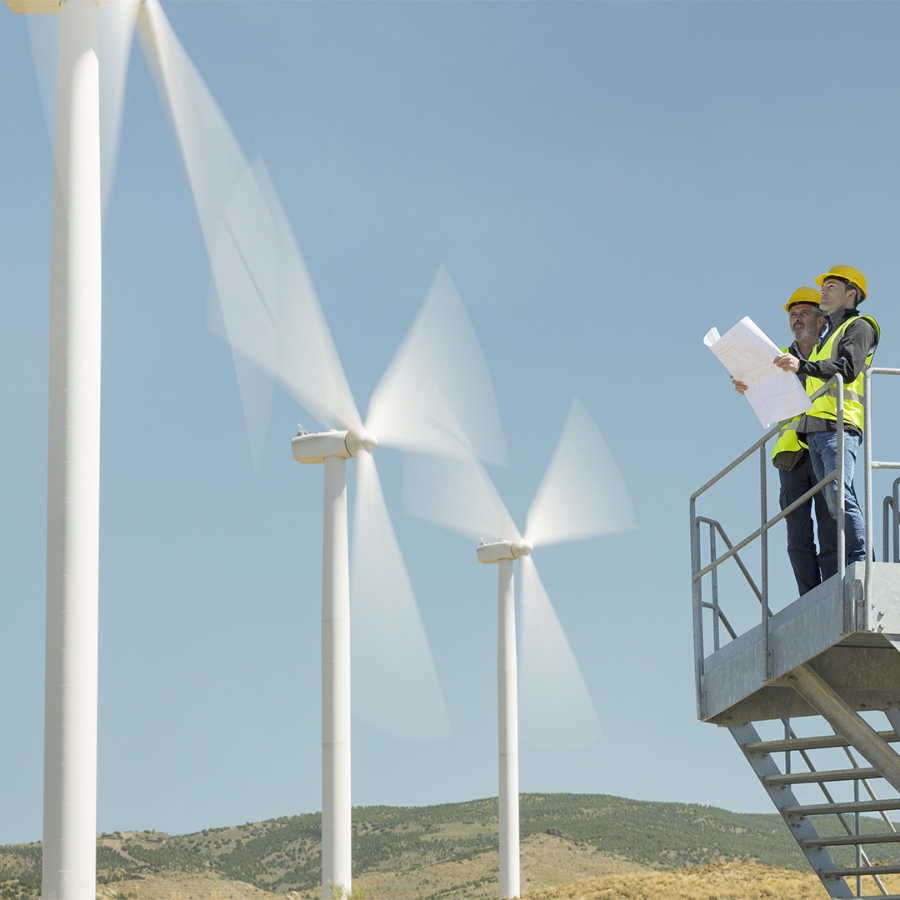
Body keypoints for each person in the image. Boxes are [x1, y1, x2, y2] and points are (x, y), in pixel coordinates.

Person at [773, 265, 880, 566]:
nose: (824, 289)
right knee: (833, 503)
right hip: (815, 433)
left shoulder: (859, 326)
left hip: (839, 425)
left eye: (831, 285)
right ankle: (853, 564)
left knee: (838, 495)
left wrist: (801, 366)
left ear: (851, 294)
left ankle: (861, 562)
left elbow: (847, 369)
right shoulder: (827, 338)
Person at [735, 287, 836, 595]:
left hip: (825, 442)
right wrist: (746, 386)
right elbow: (763, 395)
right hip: (792, 456)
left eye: (804, 313)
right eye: (792, 315)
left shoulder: (832, 351)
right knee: (797, 535)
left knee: (831, 525)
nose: (796, 320)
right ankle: (810, 597)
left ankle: (832, 592)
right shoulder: (776, 357)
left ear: (821, 321)